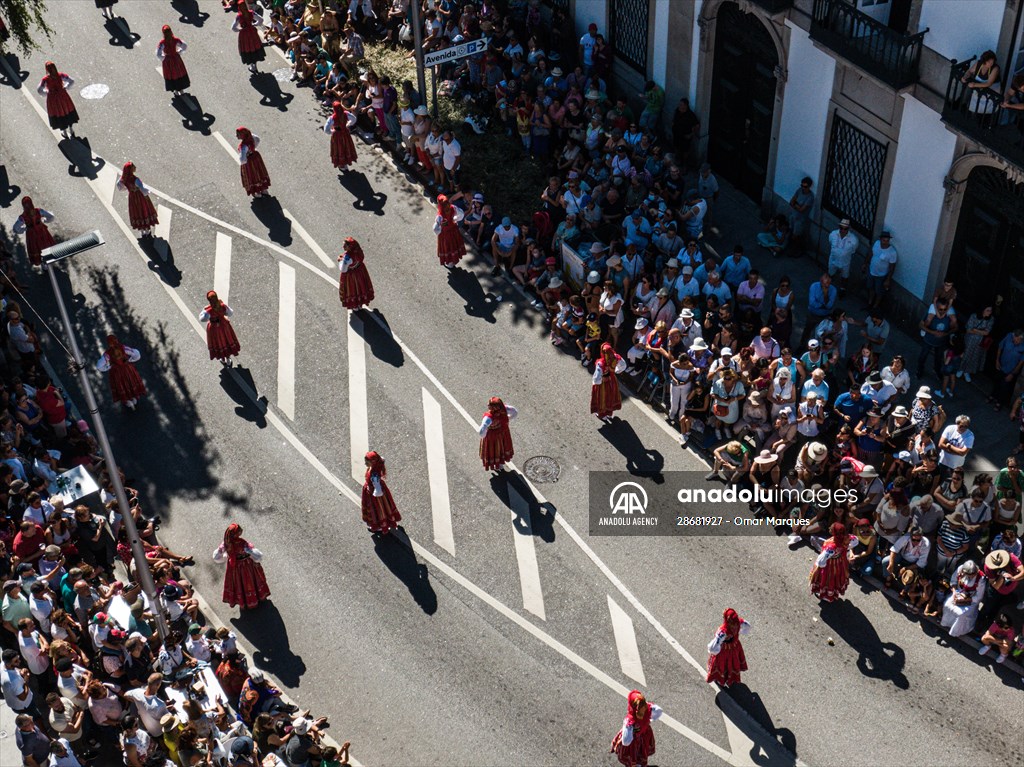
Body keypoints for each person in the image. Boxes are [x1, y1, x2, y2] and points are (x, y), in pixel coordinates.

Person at [213, 524, 270, 610]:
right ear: (236, 534)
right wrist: (250, 552)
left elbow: (216, 557)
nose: (241, 530)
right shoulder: (243, 543)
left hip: (234, 568)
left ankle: (242, 601)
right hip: (246, 566)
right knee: (250, 582)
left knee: (238, 584)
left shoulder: (226, 544)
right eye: (239, 530)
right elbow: (258, 556)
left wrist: (225, 556)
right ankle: (254, 599)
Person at [609, 690, 662, 767]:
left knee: (633, 755)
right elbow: (658, 711)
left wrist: (631, 729)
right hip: (645, 736)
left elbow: (626, 741)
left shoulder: (630, 721)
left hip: (634, 741)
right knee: (641, 753)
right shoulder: (648, 709)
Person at [96, 335, 145, 411]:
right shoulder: (123, 348)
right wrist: (131, 360)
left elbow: (99, 366)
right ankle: (134, 397)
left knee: (121, 385)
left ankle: (127, 401)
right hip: (127, 369)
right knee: (131, 382)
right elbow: (136, 354)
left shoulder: (107, 354)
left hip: (117, 372)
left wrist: (108, 367)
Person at [706, 608, 750, 688]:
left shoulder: (723, 631)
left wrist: (716, 650)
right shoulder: (739, 622)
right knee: (733, 663)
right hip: (735, 647)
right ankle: (731, 678)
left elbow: (713, 648)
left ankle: (721, 680)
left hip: (724, 650)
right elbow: (747, 627)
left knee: (721, 665)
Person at [361, 451, 401, 535]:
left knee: (378, 509)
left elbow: (378, 490)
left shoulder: (374, 475)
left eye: (367, 462)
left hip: (375, 495)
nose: (365, 464)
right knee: (385, 508)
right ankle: (387, 522)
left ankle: (380, 526)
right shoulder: (377, 466)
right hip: (376, 490)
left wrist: (371, 491)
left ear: (372, 462)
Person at [940, 559, 984, 637]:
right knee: (947, 604)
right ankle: (947, 623)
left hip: (971, 599)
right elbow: (953, 582)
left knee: (961, 614)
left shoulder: (981, 579)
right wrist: (954, 593)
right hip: (958, 592)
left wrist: (966, 599)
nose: (971, 576)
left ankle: (956, 631)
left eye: (973, 574)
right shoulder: (960, 569)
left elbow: (979, 597)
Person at [116, 163, 159, 239]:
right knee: (144, 210)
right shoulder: (136, 180)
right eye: (133, 167)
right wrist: (147, 193)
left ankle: (142, 231)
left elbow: (120, 187)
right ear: (131, 170)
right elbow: (143, 190)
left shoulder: (123, 179)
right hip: (140, 197)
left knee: (136, 212)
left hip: (132, 198)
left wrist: (129, 189)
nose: (135, 167)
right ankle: (147, 230)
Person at [809, 522, 850, 603]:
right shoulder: (846, 538)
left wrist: (819, 567)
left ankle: (826, 595)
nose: (829, 529)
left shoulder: (831, 547)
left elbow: (821, 561)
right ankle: (832, 594)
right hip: (839, 562)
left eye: (831, 528)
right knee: (835, 578)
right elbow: (855, 541)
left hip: (830, 564)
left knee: (826, 579)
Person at [37, 62, 79, 139]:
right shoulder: (60, 75)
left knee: (58, 113)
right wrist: (66, 87)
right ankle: (71, 130)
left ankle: (65, 132)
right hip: (63, 96)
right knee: (67, 110)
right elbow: (71, 80)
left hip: (53, 99)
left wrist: (46, 92)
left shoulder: (45, 79)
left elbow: (39, 89)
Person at [13, 196, 56, 271]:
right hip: (42, 231)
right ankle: (48, 259)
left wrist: (23, 229)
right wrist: (45, 221)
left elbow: (16, 229)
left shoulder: (22, 217)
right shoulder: (39, 211)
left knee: (36, 248)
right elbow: (51, 216)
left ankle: (43, 263)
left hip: (32, 235)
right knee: (45, 244)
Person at [199, 290, 241, 365]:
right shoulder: (222, 305)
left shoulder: (208, 310)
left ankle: (222, 359)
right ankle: (228, 359)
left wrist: (205, 309)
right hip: (224, 326)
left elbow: (202, 319)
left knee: (218, 342)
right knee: (226, 340)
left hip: (214, 328)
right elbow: (230, 313)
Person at [478, 397, 518, 472]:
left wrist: (484, 436)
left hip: (492, 436)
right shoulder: (504, 409)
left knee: (494, 449)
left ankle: (496, 464)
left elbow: (482, 430)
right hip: (503, 432)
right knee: (503, 447)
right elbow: (515, 412)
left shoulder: (489, 417)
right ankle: (501, 463)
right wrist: (509, 418)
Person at [591, 343, 626, 423]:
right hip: (612, 379)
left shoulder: (601, 363)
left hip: (603, 382)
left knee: (602, 397)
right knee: (611, 395)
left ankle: (602, 414)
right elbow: (623, 365)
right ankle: (609, 413)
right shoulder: (616, 357)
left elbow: (596, 378)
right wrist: (615, 371)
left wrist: (598, 381)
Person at [336, 237, 374, 311]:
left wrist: (340, 260)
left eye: (345, 246)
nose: (343, 247)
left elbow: (343, 269)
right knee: (361, 287)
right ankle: (360, 303)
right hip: (360, 272)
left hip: (351, 276)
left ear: (349, 247)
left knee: (352, 289)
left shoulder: (347, 257)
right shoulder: (358, 252)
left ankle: (355, 305)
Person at [864, 232, 897, 309]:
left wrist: (888, 279)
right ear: (880, 239)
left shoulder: (892, 252)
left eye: (887, 241)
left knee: (879, 291)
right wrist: (865, 263)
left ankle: (875, 307)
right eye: (884, 240)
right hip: (871, 271)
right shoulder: (876, 244)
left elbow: (892, 267)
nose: (885, 242)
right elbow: (870, 254)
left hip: (881, 275)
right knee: (870, 287)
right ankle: (869, 303)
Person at [235, 128, 271, 198]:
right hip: (256, 157)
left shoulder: (243, 146)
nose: (236, 136)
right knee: (259, 172)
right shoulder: (252, 138)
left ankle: (257, 192)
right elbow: (258, 139)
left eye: (238, 134)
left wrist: (244, 161)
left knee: (252, 176)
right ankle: (263, 189)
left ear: (243, 135)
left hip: (249, 161)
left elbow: (242, 159)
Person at [156, 25, 190, 97]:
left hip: (168, 61)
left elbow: (158, 54)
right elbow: (184, 46)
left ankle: (175, 89)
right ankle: (181, 89)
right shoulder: (175, 40)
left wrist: (164, 58)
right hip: (176, 58)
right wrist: (179, 52)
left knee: (171, 74)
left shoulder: (162, 43)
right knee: (179, 72)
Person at [232, 2, 266, 74]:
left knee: (247, 49)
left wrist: (240, 29)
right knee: (254, 47)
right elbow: (261, 20)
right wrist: (254, 24)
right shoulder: (251, 13)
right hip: (252, 33)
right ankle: (254, 66)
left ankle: (252, 66)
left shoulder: (239, 16)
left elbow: (233, 28)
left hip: (244, 35)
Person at [324, 101, 358, 171]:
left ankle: (342, 165)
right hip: (345, 134)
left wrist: (331, 131)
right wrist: (348, 124)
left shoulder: (332, 118)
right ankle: (345, 163)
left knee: (339, 149)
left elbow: (326, 129)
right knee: (346, 147)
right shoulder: (346, 114)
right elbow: (354, 119)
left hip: (337, 136)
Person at [827, 219, 857, 296]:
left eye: (845, 228)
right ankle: (827, 288)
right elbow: (830, 242)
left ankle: (842, 290)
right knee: (830, 274)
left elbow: (853, 250)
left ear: (848, 229)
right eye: (841, 227)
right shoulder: (833, 234)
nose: (843, 230)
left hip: (845, 262)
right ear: (839, 227)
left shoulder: (854, 239)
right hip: (833, 260)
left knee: (845, 277)